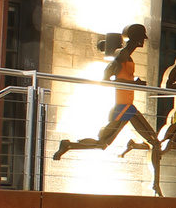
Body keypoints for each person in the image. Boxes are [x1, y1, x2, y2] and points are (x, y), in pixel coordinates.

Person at [52, 24, 157, 159]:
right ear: (136, 38)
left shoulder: (127, 55)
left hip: (126, 107)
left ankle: (70, 145)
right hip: (125, 107)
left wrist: (135, 81)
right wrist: (133, 83)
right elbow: (109, 79)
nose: (142, 42)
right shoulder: (123, 54)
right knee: (153, 140)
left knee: (103, 143)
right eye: (141, 38)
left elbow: (121, 76)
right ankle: (69, 145)